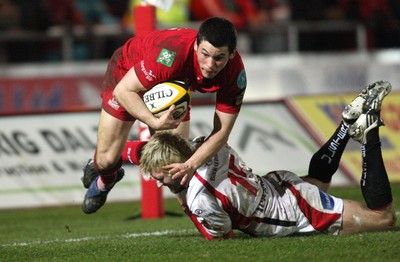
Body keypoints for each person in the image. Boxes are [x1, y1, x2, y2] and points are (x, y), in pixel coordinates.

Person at [139, 80, 395, 239]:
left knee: (383, 219)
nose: (159, 182)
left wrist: (183, 194)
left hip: (293, 211)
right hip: (280, 184)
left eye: (161, 175)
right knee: (317, 181)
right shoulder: (205, 145)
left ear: (174, 166)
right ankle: (345, 127)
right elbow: (179, 145)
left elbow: (221, 236)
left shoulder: (199, 198)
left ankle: (368, 135)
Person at [81, 17, 247, 214]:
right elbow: (123, 91)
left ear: (232, 54)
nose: (210, 64)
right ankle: (106, 179)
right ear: (196, 46)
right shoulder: (170, 54)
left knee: (175, 164)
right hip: (128, 76)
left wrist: (190, 164)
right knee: (107, 160)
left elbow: (222, 132)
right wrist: (154, 122)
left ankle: (203, 221)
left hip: (172, 87)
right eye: (205, 54)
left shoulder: (235, 75)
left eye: (219, 58)